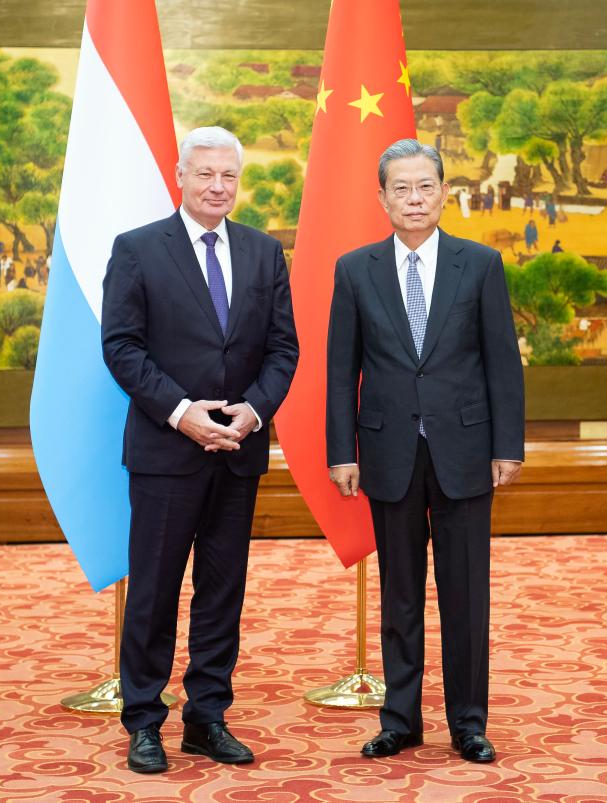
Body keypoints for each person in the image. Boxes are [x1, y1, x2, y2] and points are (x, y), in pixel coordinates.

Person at [101, 126, 299, 774]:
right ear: (180, 176)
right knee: (154, 590)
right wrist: (182, 412)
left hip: (238, 451)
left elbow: (283, 348)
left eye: (229, 175)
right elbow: (121, 346)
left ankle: (207, 717)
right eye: (205, 173)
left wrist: (254, 409)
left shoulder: (265, 252)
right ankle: (143, 721)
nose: (218, 186)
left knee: (222, 591)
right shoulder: (137, 250)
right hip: (166, 451)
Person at [326, 139, 524, 764]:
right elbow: (341, 371)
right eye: (401, 188)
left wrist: (508, 445)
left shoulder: (481, 264)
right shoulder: (355, 269)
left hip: (465, 451)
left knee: (466, 597)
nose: (414, 199)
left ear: (444, 193)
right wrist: (341, 450)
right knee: (400, 596)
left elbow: (502, 362)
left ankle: (468, 723)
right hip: (388, 454)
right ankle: (400, 720)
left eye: (425, 187)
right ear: (382, 198)